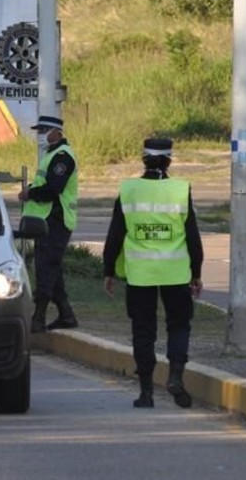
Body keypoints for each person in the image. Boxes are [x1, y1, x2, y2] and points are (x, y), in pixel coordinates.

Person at [102, 137, 204, 409]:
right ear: (169, 160)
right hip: (176, 273)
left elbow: (115, 234)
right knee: (179, 324)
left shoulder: (129, 189)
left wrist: (108, 270)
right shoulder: (180, 189)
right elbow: (193, 236)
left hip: (140, 275)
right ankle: (175, 376)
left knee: (143, 330)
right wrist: (196, 271)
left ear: (143, 159)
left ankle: (146, 392)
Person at [18, 114, 79, 333]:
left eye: (44, 131)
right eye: (39, 131)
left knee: (46, 267)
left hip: (56, 219)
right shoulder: (51, 154)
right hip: (46, 219)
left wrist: (30, 193)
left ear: (57, 132)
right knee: (52, 268)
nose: (40, 135)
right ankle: (66, 314)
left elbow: (53, 189)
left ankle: (39, 316)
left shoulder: (62, 156)